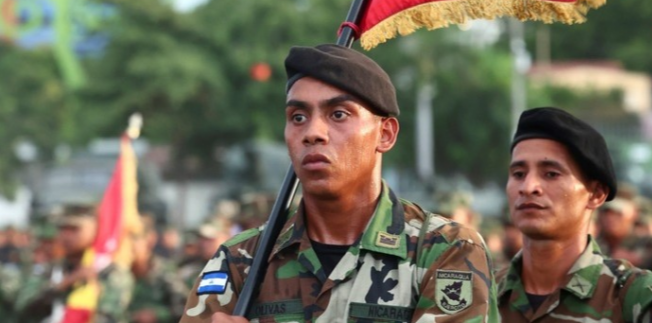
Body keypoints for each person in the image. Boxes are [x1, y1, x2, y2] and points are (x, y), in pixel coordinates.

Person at [179, 44, 498, 323]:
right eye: (298, 117)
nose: (312, 132)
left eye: (339, 114)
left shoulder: (445, 251)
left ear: (384, 134)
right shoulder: (241, 259)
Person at [497, 107, 652, 322]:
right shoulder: (480, 296)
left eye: (551, 174)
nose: (528, 186)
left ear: (596, 194)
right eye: (518, 174)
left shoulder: (635, 297)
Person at [15, 203, 134, 323]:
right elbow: (23, 310)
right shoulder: (49, 269)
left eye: (74, 229)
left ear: (95, 230)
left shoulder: (109, 272)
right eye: (62, 229)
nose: (66, 236)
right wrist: (64, 284)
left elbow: (110, 316)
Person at [128, 215, 188, 323]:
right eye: (125, 239)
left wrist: (157, 314)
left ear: (150, 239)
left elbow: (184, 308)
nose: (129, 244)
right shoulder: (113, 271)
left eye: (135, 238)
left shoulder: (164, 270)